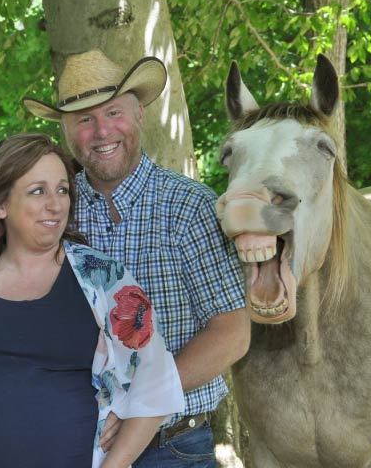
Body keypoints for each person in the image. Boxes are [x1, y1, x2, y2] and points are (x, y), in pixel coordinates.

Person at [0, 133, 184, 468]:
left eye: (62, 190)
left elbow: (155, 383)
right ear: (0, 205)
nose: (55, 204)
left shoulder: (103, 280)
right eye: (37, 191)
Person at [22, 50, 250, 467]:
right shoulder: (52, 212)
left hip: (175, 446)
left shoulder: (190, 208)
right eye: (84, 119)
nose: (102, 131)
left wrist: (136, 402)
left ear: (140, 113)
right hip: (67, 445)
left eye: (113, 112)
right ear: (67, 131)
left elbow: (232, 333)